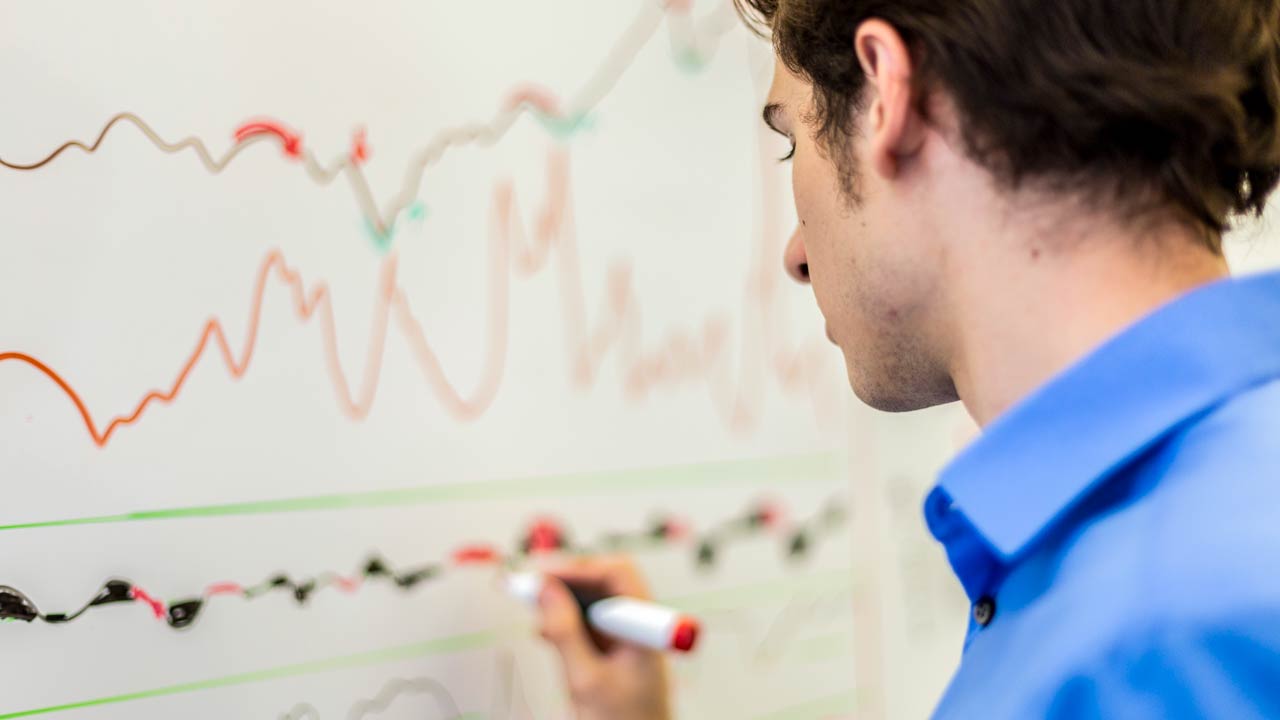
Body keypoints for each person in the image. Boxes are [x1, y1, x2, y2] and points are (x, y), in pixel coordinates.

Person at [534, 0, 1280, 717]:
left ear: (889, 94)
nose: (796, 256)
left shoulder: (1170, 629)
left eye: (793, 139)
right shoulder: (1198, 533)